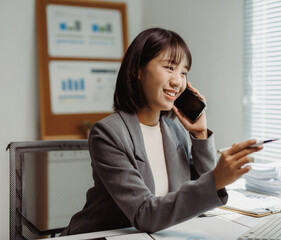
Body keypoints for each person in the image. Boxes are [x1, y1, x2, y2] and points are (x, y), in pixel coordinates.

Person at [61, 27, 262, 235]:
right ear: (137, 70)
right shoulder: (108, 133)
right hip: (102, 236)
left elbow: (202, 198)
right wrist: (217, 179)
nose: (177, 81)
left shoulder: (175, 130)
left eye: (183, 73)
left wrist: (200, 135)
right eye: (169, 67)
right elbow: (144, 214)